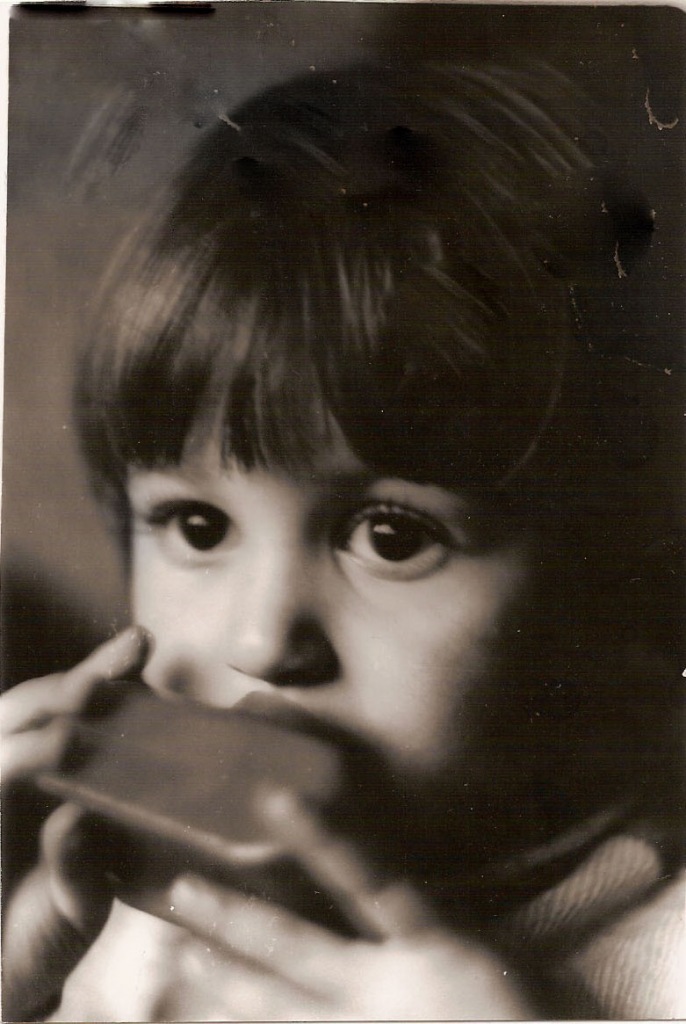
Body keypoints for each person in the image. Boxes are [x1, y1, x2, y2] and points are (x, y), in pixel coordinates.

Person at [2, 61, 683, 1021]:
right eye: (198, 526)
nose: (261, 642)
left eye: (393, 537)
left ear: (602, 580)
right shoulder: (117, 906)